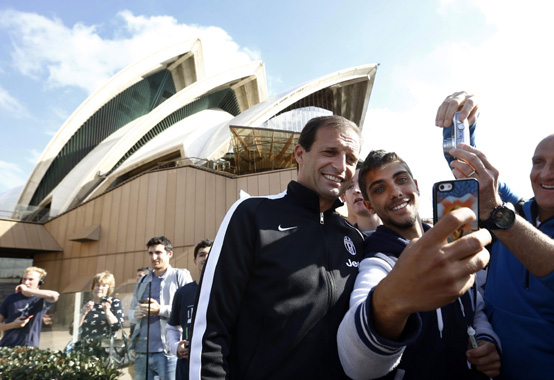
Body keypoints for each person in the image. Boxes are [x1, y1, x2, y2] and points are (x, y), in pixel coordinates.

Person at [189, 115, 492, 379]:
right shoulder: (252, 214)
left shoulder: (355, 239)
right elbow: (210, 328)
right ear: (300, 154)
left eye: (351, 159)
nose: (341, 166)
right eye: (330, 152)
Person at [437, 92, 554, 379]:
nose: (545, 174)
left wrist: (500, 215)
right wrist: (461, 122)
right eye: (539, 162)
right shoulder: (519, 210)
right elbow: (469, 171)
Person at [337, 150, 501, 379]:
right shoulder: (377, 262)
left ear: (416, 186)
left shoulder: (453, 242)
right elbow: (357, 364)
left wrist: (486, 339)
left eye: (401, 180)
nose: (395, 192)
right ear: (369, 205)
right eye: (380, 189)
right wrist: (390, 301)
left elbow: (475, 305)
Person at [129, 236, 193, 380]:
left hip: (168, 352)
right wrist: (136, 313)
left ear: (169, 254)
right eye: (151, 253)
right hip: (142, 352)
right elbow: (131, 313)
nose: (154, 257)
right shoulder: (144, 280)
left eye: (158, 252)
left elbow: (188, 311)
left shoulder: (180, 276)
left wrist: (160, 310)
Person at [166, 239, 212, 380]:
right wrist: (176, 348)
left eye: (210, 254)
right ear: (195, 260)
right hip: (187, 365)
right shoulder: (182, 293)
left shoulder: (227, 291)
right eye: (201, 255)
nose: (205, 258)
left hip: (215, 363)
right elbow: (172, 327)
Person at [0, 267, 60, 347]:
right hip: (7, 348)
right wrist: (13, 325)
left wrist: (27, 291)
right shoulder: (11, 299)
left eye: (31, 279)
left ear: (40, 282)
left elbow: (54, 295)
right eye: (24, 279)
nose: (26, 282)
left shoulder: (41, 299)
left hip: (29, 349)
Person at [76, 271, 124, 357]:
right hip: (86, 351)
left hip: (105, 351)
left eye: (104, 285)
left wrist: (107, 311)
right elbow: (73, 329)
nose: (99, 288)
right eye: (97, 285)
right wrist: (83, 313)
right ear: (93, 287)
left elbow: (117, 326)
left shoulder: (115, 303)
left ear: (109, 288)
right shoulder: (85, 304)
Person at [340, 160, 381, 234]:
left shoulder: (401, 233)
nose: (356, 190)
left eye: (362, 183)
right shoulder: (336, 239)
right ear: (343, 196)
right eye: (350, 186)